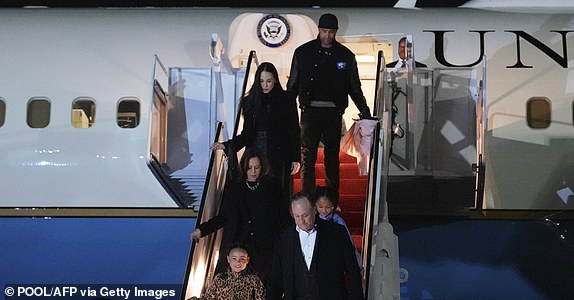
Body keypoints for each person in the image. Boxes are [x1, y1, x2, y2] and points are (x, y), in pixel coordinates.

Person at [287, 13, 372, 199]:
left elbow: (354, 87)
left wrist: (365, 110)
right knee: (308, 157)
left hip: (332, 110)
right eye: (325, 31)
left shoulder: (344, 55)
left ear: (336, 32)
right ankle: (309, 198)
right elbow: (292, 86)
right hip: (311, 110)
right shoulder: (304, 53)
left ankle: (331, 198)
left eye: (331, 32)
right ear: (319, 30)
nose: (328, 35)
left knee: (330, 157)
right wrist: (286, 110)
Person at [212, 62, 300, 221]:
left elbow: (294, 130)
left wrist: (296, 157)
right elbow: (247, 134)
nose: (265, 85)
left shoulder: (286, 99)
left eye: (269, 81)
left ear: (275, 80)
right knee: (255, 192)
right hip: (256, 152)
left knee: (279, 193)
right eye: (261, 81)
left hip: (279, 153)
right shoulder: (250, 101)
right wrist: (226, 145)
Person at [190, 148, 283, 284]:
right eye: (249, 168)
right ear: (244, 167)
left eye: (256, 167)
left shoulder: (272, 186)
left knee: (262, 287)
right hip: (238, 246)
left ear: (262, 167)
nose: (253, 172)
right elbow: (223, 217)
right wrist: (201, 230)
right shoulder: (235, 187)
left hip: (264, 248)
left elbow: (281, 215)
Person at [267, 192, 364, 300]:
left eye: (305, 215)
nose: (301, 221)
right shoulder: (284, 239)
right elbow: (275, 280)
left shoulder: (336, 233)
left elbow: (353, 272)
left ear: (314, 210)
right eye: (297, 216)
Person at [315, 185, 364, 274]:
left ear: (333, 206)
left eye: (327, 207)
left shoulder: (338, 222)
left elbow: (349, 243)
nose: (324, 210)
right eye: (320, 207)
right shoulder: (313, 220)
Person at [201, 243, 265, 300]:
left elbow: (261, 297)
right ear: (228, 259)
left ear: (247, 260)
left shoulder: (253, 280)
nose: (238, 262)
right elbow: (208, 297)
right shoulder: (220, 278)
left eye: (242, 259)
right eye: (234, 258)